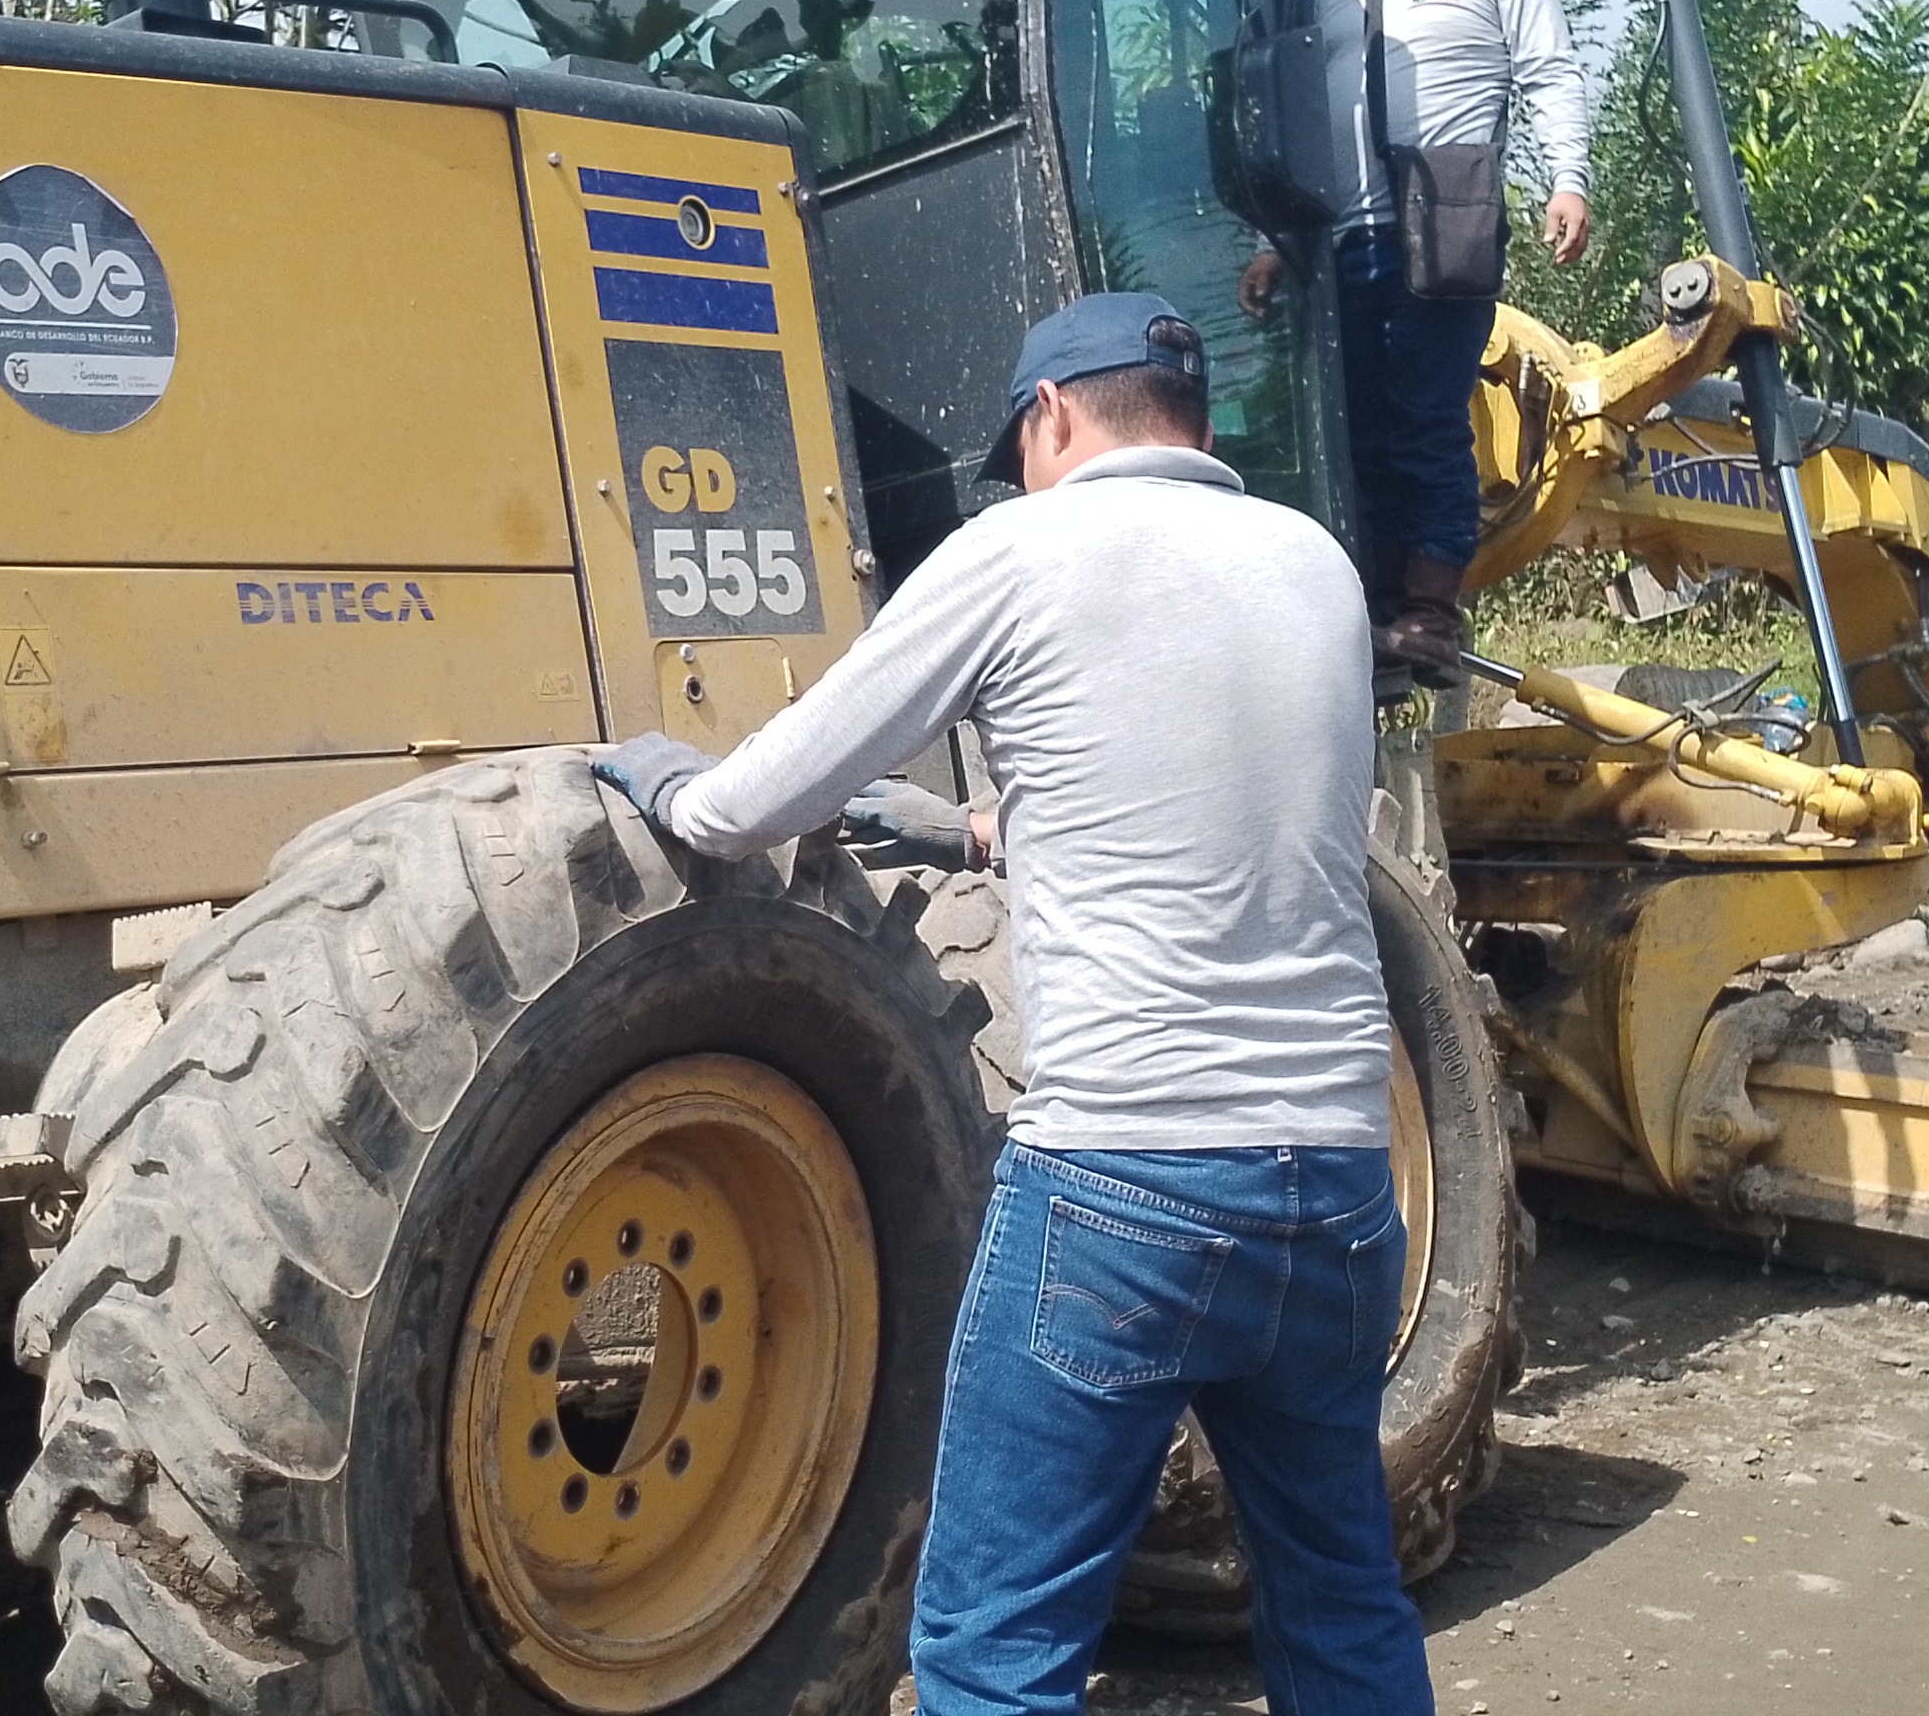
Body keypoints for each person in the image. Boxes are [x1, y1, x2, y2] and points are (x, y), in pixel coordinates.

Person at [589, 294, 1429, 1715]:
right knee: (1340, 1600)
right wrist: (979, 830)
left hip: (1126, 1193)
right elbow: (1240, 814)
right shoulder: (1316, 566)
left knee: (995, 1653)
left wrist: (667, 774)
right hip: (1336, 1193)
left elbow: (753, 803)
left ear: (1050, 417)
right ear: (1193, 419)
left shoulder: (1019, 551)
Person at [1240, 0, 1592, 688]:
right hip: (1342, 242)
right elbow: (1295, 114)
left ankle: (1429, 612)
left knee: (1427, 420)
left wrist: (1568, 182)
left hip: (1447, 230)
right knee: (1351, 428)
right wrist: (1271, 242)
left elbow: (1551, 78)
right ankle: (1365, 604)